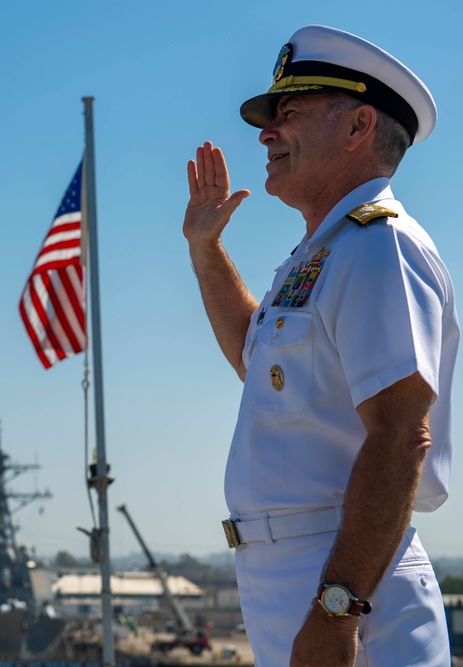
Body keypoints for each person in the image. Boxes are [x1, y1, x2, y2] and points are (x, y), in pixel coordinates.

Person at [183, 25, 458, 667]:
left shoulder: (378, 244)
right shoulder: (326, 252)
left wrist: (337, 610)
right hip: (300, 581)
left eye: (290, 112)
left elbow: (399, 435)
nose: (266, 133)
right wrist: (206, 250)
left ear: (359, 125)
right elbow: (259, 361)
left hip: (349, 591)